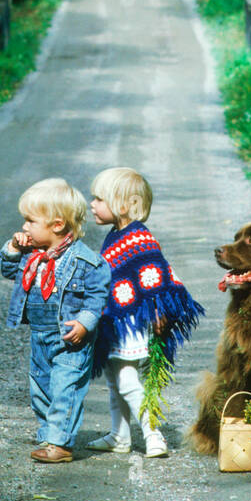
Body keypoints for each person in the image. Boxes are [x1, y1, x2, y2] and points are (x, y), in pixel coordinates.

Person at [87, 167, 204, 458]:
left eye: (99, 199)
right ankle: (119, 436)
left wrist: (159, 313)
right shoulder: (114, 236)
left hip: (134, 324)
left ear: (123, 204)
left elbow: (154, 277)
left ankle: (153, 434)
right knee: (115, 383)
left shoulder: (139, 237)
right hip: (116, 321)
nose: (93, 204)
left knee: (128, 382)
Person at [1, 177, 111, 463]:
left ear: (57, 225)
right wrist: (14, 247)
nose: (24, 227)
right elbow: (8, 270)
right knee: (41, 386)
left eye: (30, 221)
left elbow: (98, 296)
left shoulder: (86, 261)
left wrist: (86, 322)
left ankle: (60, 444)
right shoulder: (33, 256)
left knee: (65, 386)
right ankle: (48, 432)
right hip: (40, 333)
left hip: (70, 337)